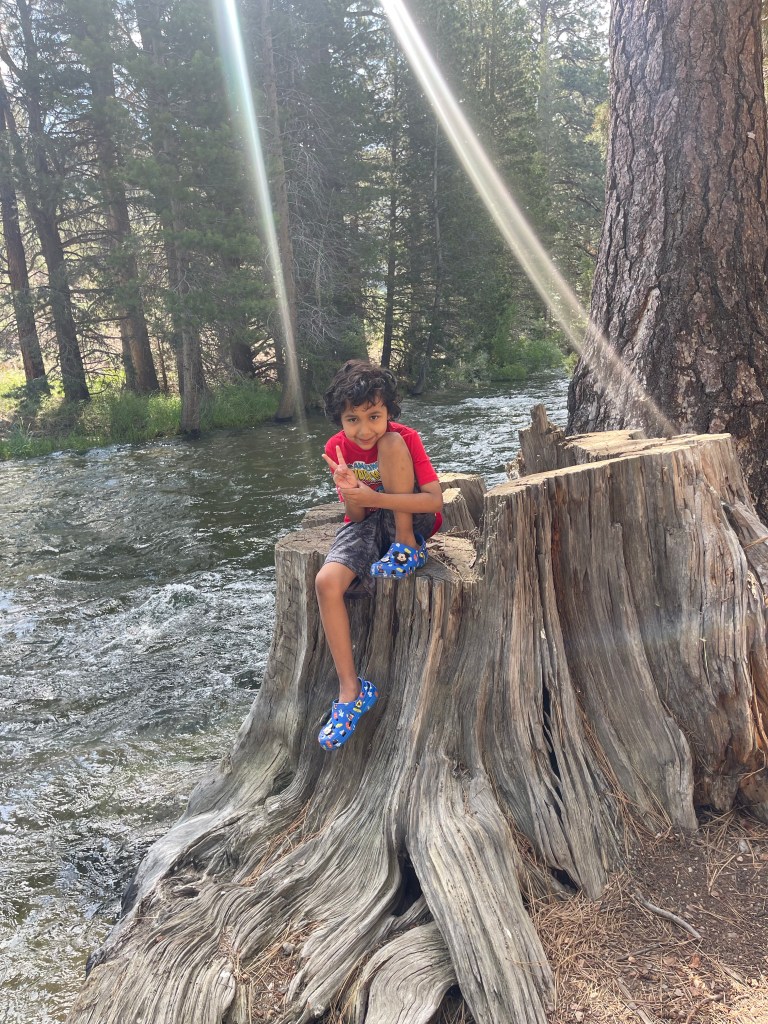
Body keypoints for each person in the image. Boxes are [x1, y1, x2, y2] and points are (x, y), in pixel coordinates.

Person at [315, 359, 443, 750]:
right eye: (352, 419)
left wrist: (376, 497)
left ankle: (407, 547)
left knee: (390, 444)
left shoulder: (403, 437)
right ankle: (351, 692)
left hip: (411, 518)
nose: (364, 429)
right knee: (325, 583)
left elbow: (433, 502)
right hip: (368, 521)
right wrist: (352, 492)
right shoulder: (337, 449)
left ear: (389, 412)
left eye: (374, 416)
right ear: (340, 419)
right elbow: (356, 517)